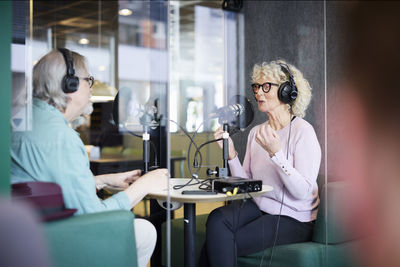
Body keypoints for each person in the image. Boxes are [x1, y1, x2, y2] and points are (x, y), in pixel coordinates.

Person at [10, 48, 169, 267]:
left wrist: (101, 180)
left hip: (26, 235)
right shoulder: (61, 137)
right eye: (88, 80)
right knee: (143, 231)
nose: (91, 87)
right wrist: (143, 186)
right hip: (52, 240)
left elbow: (45, 185)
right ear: (69, 85)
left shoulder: (26, 119)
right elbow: (92, 216)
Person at [200, 60, 321, 266]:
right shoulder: (257, 132)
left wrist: (276, 154)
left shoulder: (303, 131)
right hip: (259, 206)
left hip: (295, 217)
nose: (258, 93)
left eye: (266, 86)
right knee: (216, 219)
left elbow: (301, 192)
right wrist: (231, 155)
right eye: (256, 86)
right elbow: (247, 184)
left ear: (286, 91)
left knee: (223, 241)